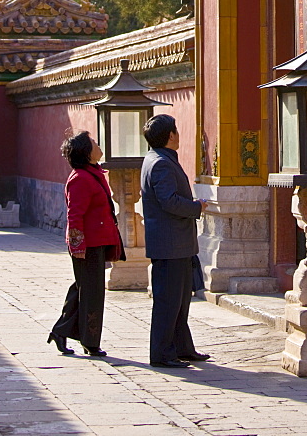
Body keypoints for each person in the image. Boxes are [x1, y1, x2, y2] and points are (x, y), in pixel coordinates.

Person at [140, 113, 210, 368]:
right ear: (170, 135)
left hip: (175, 243)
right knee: (169, 302)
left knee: (180, 300)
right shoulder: (161, 163)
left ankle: (182, 347)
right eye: (176, 130)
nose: (179, 134)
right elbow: (168, 201)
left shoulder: (158, 159)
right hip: (170, 244)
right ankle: (161, 353)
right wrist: (196, 207)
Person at [48, 130, 123, 358]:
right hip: (88, 245)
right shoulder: (80, 178)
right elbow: (75, 215)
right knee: (91, 292)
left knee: (84, 288)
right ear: (86, 152)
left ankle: (61, 331)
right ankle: (90, 341)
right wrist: (78, 246)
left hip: (97, 241)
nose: (98, 145)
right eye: (94, 143)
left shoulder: (93, 174)